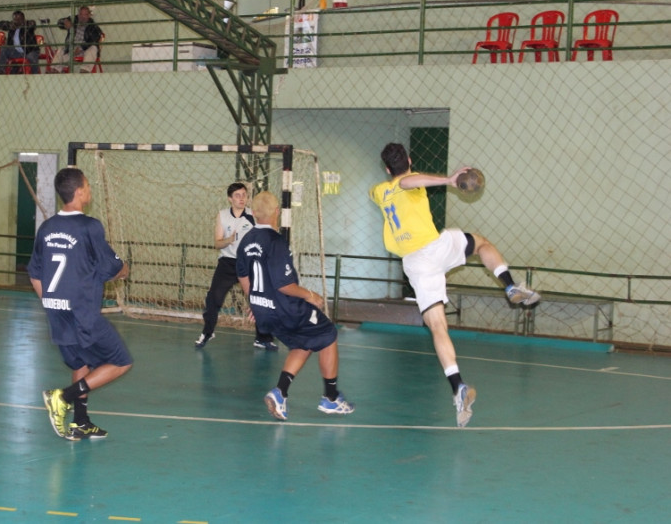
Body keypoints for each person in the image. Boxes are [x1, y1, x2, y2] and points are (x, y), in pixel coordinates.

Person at [369, 143, 541, 427]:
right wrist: (449, 180)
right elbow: (409, 180)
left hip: (415, 264)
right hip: (435, 248)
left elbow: (392, 186)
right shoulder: (406, 182)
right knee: (481, 243)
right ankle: (509, 285)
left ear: (386, 169)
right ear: (410, 160)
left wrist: (392, 183)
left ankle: (458, 386)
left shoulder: (378, 191)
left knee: (438, 327)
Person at [28, 167, 133, 441]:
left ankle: (81, 421)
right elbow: (111, 265)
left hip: (57, 313)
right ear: (78, 192)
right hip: (83, 314)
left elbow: (34, 273)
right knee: (121, 361)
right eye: (87, 186)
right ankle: (63, 397)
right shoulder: (89, 226)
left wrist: (51, 302)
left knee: (81, 361)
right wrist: (124, 269)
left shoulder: (47, 227)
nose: (90, 190)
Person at [236, 191, 355, 421]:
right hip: (285, 307)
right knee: (328, 334)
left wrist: (255, 303)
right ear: (277, 213)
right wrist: (311, 295)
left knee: (303, 341)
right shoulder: (276, 242)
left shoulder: (246, 241)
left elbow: (243, 278)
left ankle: (280, 393)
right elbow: (284, 284)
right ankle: (330, 399)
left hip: (264, 312)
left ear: (253, 213)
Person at [195, 182, 278, 351]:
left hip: (249, 263)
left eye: (244, 195)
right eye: (238, 195)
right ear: (230, 199)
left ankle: (263, 338)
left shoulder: (253, 215)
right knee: (214, 298)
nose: (242, 198)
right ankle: (208, 332)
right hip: (227, 263)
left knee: (260, 299)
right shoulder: (222, 215)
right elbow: (217, 243)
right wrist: (229, 240)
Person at [51, 6, 102, 73]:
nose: (82, 17)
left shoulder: (93, 26)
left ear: (89, 15)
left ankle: (84, 71)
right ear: (78, 14)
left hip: (85, 50)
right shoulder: (73, 19)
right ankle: (54, 71)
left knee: (93, 48)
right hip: (71, 49)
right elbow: (59, 23)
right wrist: (65, 21)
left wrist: (81, 48)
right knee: (61, 49)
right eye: (81, 14)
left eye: (85, 14)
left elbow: (95, 39)